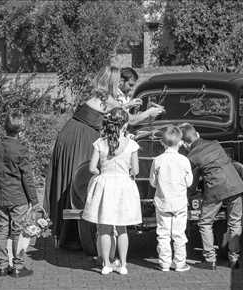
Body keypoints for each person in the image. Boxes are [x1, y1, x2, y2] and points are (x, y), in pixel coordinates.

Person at [43, 65, 163, 251]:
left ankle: (70, 232)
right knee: (79, 180)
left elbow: (112, 110)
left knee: (74, 180)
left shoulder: (101, 96)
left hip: (74, 133)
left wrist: (126, 106)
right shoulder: (108, 99)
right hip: (81, 137)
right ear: (114, 81)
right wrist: (149, 114)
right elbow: (128, 120)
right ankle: (73, 234)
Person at [82, 107, 142, 275]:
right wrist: (128, 172)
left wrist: (100, 173)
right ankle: (122, 264)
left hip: (105, 186)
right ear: (125, 125)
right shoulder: (131, 144)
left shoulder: (100, 143)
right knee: (122, 229)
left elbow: (92, 167)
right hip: (123, 186)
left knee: (105, 228)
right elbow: (136, 170)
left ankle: (106, 264)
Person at [180, 123, 243, 270]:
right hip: (235, 184)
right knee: (235, 222)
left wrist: (188, 194)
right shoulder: (216, 144)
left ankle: (210, 259)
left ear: (184, 143)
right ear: (197, 133)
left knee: (204, 223)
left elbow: (193, 180)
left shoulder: (191, 156)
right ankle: (234, 258)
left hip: (215, 189)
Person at [0, 111, 38, 278]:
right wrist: (34, 200)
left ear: (5, 126)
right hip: (19, 197)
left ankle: (2, 266)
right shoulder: (21, 149)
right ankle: (17, 266)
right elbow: (27, 176)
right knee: (18, 231)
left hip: (2, 196)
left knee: (1, 229)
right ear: (21, 129)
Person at [149, 126, 193, 272]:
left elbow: (153, 182)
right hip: (179, 202)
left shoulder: (158, 160)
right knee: (179, 234)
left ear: (162, 143)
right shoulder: (184, 160)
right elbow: (189, 182)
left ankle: (164, 262)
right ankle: (180, 263)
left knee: (163, 233)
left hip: (163, 202)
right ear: (180, 142)